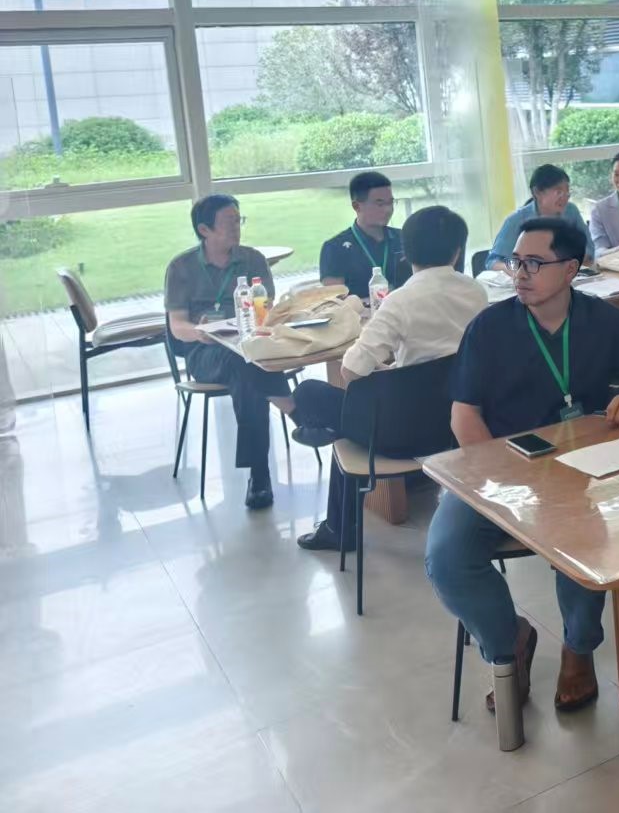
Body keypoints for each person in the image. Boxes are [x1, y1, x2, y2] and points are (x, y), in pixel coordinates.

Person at [424, 218, 619, 724]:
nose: (520, 273)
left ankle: (578, 648)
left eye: (534, 263)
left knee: (583, 542)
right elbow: (464, 417)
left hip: (581, 469)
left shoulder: (601, 319)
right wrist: (501, 482)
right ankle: (508, 645)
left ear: (570, 270)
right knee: (446, 557)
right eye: (516, 262)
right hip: (500, 472)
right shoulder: (490, 327)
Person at [298, 206, 489, 552]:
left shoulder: (400, 301)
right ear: (458, 251)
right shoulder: (476, 292)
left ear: (407, 253)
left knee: (310, 393)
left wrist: (391, 373)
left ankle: (338, 525)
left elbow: (351, 371)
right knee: (347, 420)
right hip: (460, 424)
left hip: (402, 434)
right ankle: (337, 509)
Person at [164, 195, 341, 510]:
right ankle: (294, 412)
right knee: (245, 362)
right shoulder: (181, 267)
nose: (237, 227)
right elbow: (177, 326)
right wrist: (199, 332)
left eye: (238, 220)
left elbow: (267, 310)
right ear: (204, 230)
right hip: (205, 352)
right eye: (229, 222)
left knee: (247, 369)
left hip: (253, 344)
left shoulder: (252, 260)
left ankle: (260, 476)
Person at [319, 170, 411, 301]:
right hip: (359, 313)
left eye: (390, 202)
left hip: (405, 309)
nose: (388, 209)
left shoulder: (405, 238)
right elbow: (336, 302)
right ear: (356, 206)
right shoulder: (334, 248)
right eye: (379, 204)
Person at [487, 163, 591, 267]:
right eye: (558, 191)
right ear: (537, 192)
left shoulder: (571, 212)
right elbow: (493, 262)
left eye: (567, 191)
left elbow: (589, 248)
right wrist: (515, 270)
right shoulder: (516, 220)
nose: (565, 196)